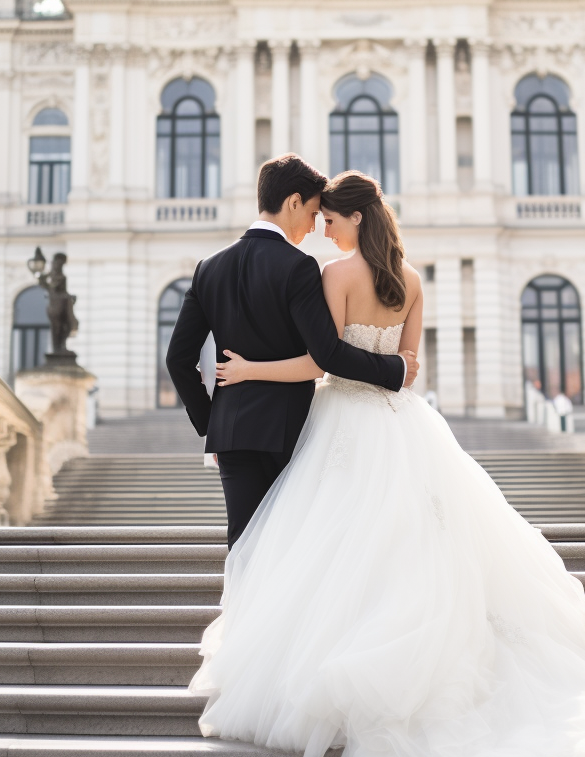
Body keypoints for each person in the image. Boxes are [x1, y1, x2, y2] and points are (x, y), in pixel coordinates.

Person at [189, 170, 585, 757]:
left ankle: (341, 670)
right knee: (415, 545)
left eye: (332, 219)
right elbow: (411, 368)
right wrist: (391, 371)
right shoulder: (412, 281)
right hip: (399, 422)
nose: (323, 229)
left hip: (339, 422)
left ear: (355, 219)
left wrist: (248, 370)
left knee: (335, 550)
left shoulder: (332, 276)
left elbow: (321, 360)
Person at [165, 153, 418, 548]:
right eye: (316, 213)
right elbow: (326, 355)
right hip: (291, 432)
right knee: (291, 549)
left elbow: (177, 360)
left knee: (245, 545)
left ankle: (244, 612)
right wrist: (395, 370)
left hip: (231, 433)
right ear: (294, 202)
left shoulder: (208, 268)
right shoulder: (299, 267)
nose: (317, 225)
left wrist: (213, 423)